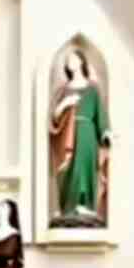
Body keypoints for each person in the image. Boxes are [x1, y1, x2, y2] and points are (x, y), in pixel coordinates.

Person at [49, 49, 111, 223]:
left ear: (81, 62)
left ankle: (87, 206)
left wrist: (106, 131)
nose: (70, 62)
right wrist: (65, 104)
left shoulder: (92, 90)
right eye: (68, 60)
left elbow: (101, 115)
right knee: (69, 170)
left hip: (87, 135)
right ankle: (68, 207)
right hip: (67, 134)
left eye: (74, 59)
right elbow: (53, 117)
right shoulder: (64, 90)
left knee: (86, 168)